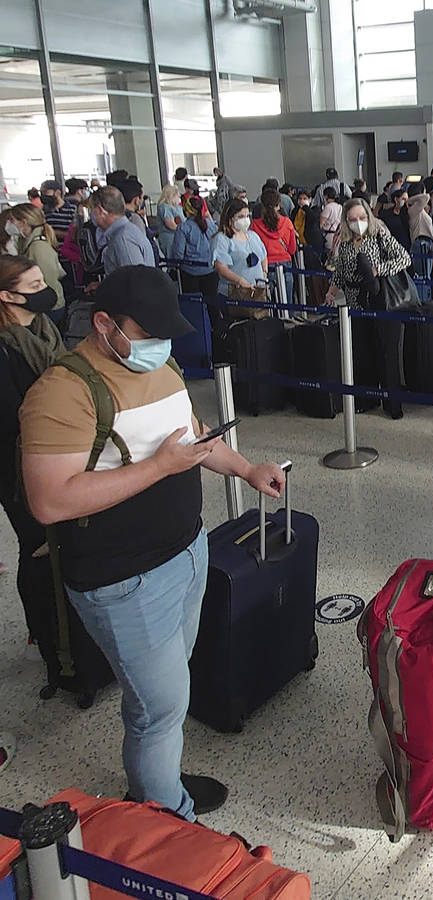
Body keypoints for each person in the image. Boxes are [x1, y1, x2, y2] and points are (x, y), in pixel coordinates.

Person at [20, 264, 287, 822]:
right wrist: (159, 468)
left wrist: (244, 468)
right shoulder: (63, 393)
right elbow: (50, 501)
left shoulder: (161, 364)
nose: (162, 343)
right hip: (123, 579)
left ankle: (158, 775)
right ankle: (167, 817)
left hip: (187, 553)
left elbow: (191, 439)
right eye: (147, 332)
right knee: (158, 707)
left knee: (168, 691)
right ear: (103, 326)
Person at [0, 256, 65, 662]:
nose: (46, 288)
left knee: (59, 542)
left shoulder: (43, 329)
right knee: (35, 544)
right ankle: (43, 631)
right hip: (17, 464)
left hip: (57, 449)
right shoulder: (6, 350)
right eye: (35, 283)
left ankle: (64, 624)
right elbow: (10, 417)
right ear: (8, 295)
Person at [330, 199, 411, 310]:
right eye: (353, 220)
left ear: (369, 216)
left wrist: (378, 269)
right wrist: (331, 293)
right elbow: (340, 271)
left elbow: (405, 258)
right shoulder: (345, 242)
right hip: (353, 303)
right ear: (346, 221)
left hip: (378, 300)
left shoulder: (379, 235)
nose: (358, 222)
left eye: (362, 217)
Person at [7, 205, 66, 310]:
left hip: (49, 306)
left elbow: (49, 281)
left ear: (23, 222)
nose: (9, 224)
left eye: (12, 220)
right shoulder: (26, 242)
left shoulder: (38, 247)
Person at [211, 200, 268, 298]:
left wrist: (264, 272)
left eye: (247, 216)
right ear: (230, 218)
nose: (245, 219)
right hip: (234, 293)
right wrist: (240, 281)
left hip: (257, 292)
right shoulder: (222, 239)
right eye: (241, 216)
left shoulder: (253, 236)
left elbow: (263, 256)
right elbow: (221, 267)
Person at [250, 188, 298, 301]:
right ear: (279, 205)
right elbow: (292, 249)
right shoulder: (287, 223)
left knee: (268, 304)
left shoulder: (254, 226)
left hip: (265, 268)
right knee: (287, 302)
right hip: (285, 266)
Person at [170, 198, 219, 297]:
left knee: (194, 307)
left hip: (190, 273)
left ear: (186, 211)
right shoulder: (211, 224)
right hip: (211, 271)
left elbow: (178, 254)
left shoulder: (183, 228)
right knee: (213, 306)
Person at [155, 185, 185, 261]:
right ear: (172, 195)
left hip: (179, 236)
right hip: (169, 238)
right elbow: (170, 225)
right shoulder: (164, 207)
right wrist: (183, 231)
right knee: (172, 260)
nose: (179, 197)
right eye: (177, 195)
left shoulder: (177, 207)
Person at [319, 187, 343, 257]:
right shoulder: (340, 206)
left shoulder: (328, 207)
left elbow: (321, 224)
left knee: (330, 256)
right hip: (338, 235)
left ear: (326, 196)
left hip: (328, 236)